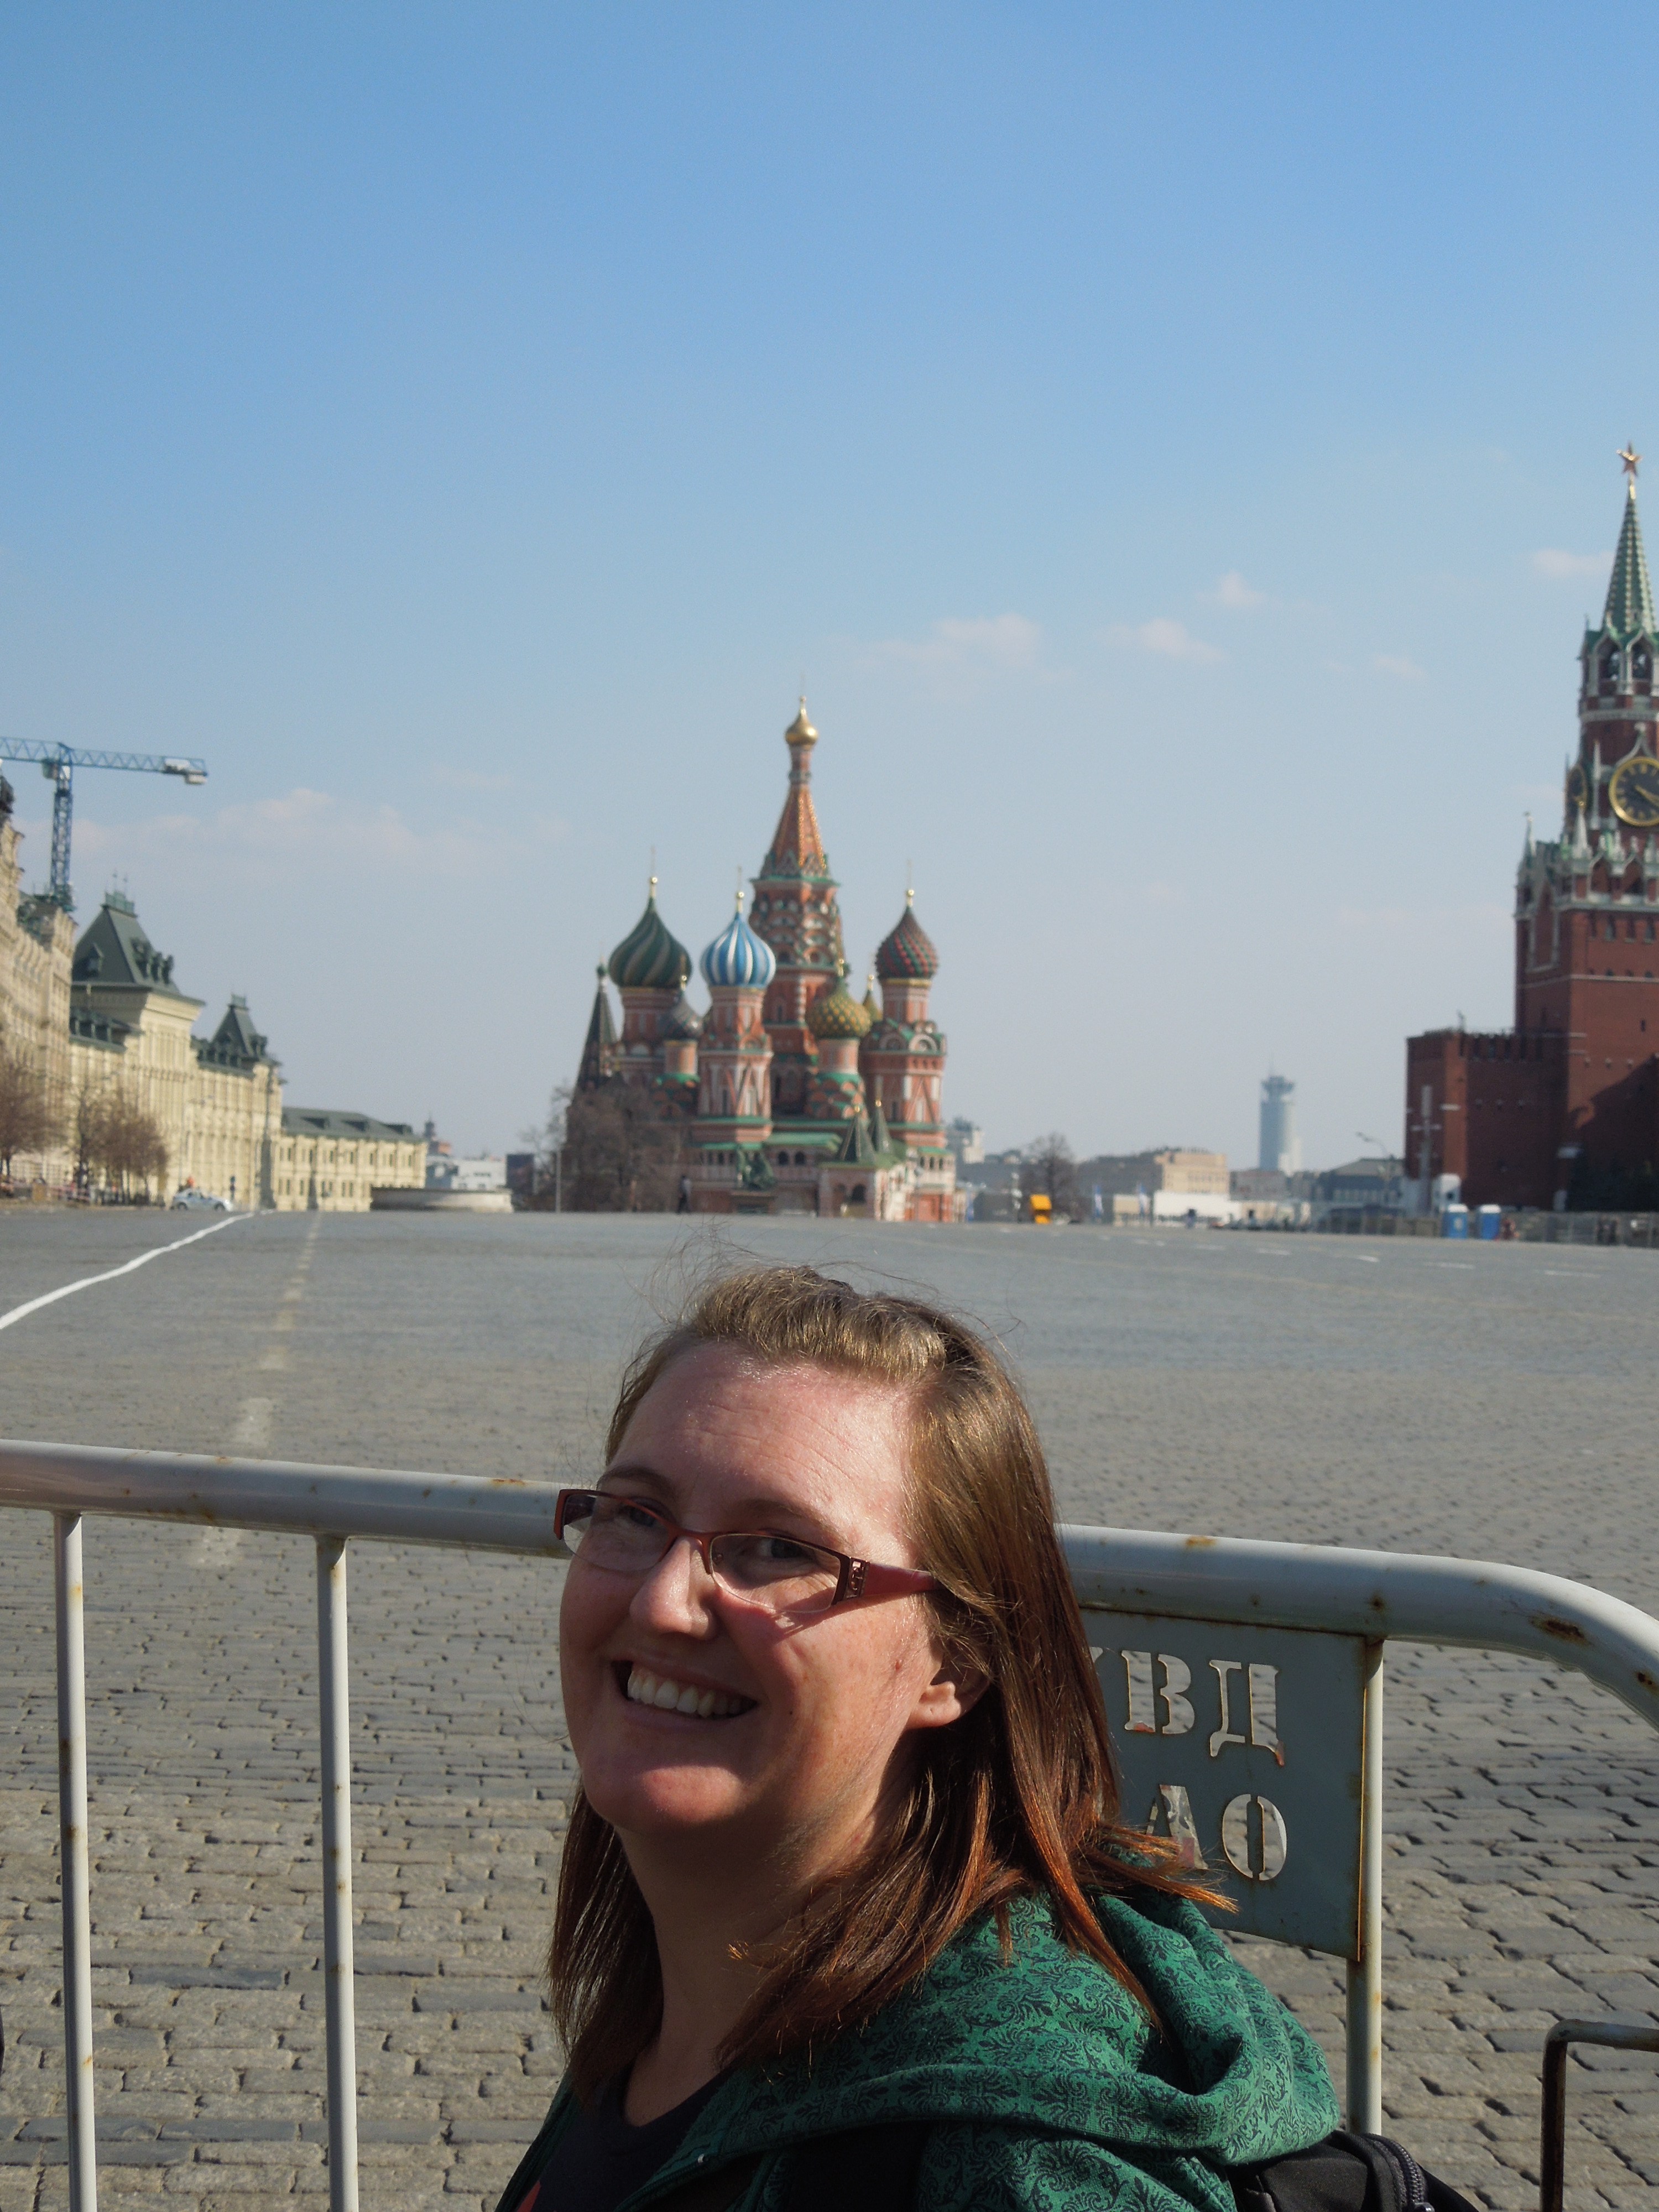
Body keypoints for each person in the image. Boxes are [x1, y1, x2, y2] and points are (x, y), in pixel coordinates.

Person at [498, 1265, 1337, 2212]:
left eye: (780, 1549)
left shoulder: (1016, 2158)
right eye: (634, 1515)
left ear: (955, 1663)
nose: (663, 1603)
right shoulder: (668, 2008)